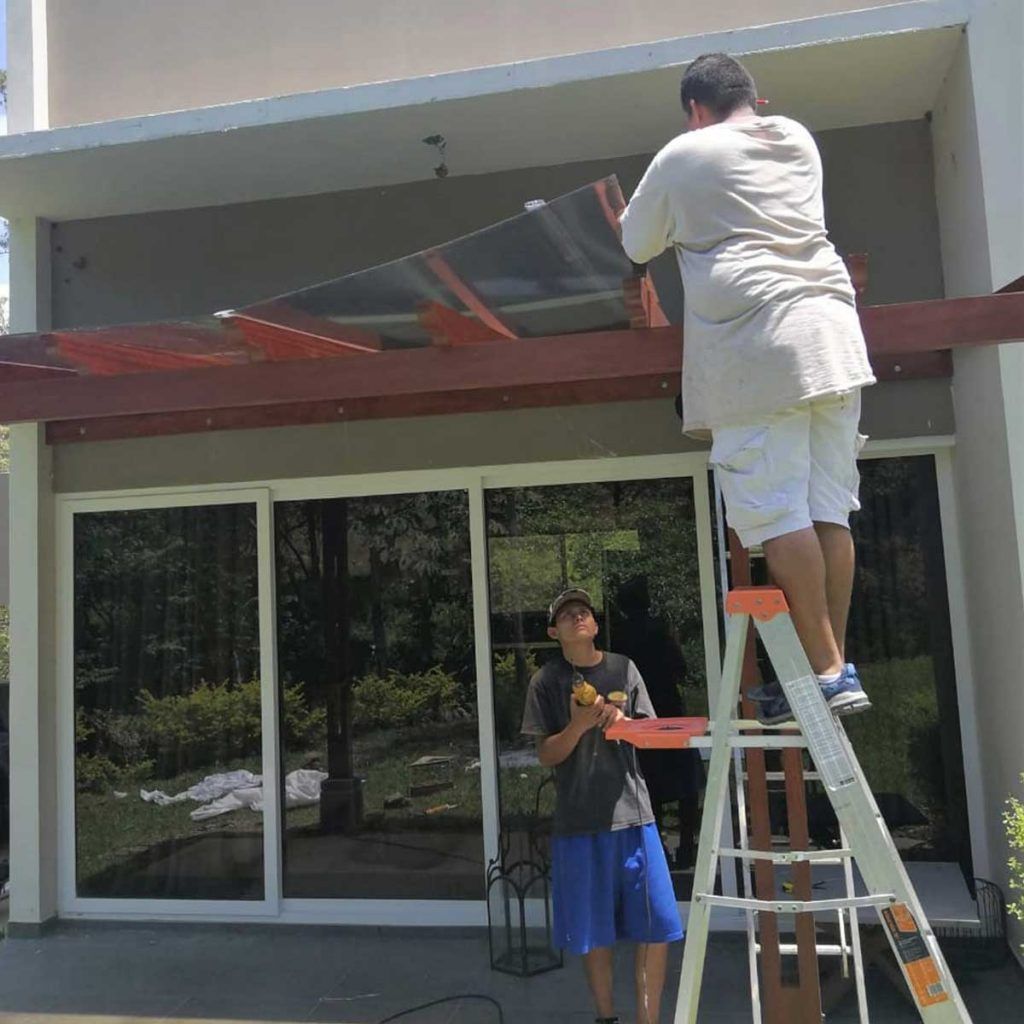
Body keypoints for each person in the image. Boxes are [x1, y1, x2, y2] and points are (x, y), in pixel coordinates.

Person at [619, 53, 875, 725]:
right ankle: (834, 666)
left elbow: (635, 242)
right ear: (754, 100)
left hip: (757, 345)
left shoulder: (684, 153)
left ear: (695, 109)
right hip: (834, 336)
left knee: (776, 512)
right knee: (828, 510)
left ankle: (823, 671)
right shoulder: (797, 139)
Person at [521, 588, 683, 1024]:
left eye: (584, 611)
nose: (578, 616)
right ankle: (606, 1017)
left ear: (594, 624)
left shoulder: (622, 669)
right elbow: (546, 755)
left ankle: (648, 1020)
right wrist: (577, 725)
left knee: (658, 925)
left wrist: (624, 723)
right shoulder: (546, 681)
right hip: (579, 822)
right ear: (554, 631)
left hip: (635, 817)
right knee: (595, 933)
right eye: (567, 614)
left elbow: (650, 735)